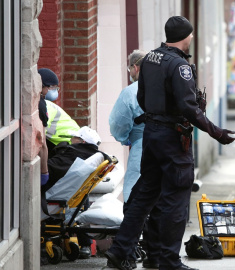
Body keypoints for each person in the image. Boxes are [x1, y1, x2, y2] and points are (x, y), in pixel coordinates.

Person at [105, 16, 235, 270]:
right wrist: (216, 132)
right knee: (175, 200)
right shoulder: (179, 66)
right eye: (191, 35)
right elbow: (189, 108)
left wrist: (156, 118)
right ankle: (168, 260)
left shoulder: (150, 59)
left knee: (144, 195)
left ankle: (121, 251)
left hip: (150, 135)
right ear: (186, 36)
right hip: (173, 139)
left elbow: (141, 96)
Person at [108, 49, 160, 269]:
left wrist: (126, 137)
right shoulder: (163, 88)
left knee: (135, 202)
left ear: (135, 68)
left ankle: (126, 254)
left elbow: (118, 123)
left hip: (142, 147)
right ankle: (155, 254)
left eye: (130, 68)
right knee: (157, 203)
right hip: (166, 148)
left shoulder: (131, 92)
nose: (130, 72)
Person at [44, 126, 105, 259]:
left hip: (51, 200)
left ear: (82, 141)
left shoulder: (72, 154)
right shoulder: (92, 158)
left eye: (75, 137)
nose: (71, 139)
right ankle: (85, 244)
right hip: (72, 200)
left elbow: (49, 169)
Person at [38, 68, 59, 187]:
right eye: (51, 87)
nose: (54, 91)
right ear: (43, 86)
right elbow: (42, 142)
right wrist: (44, 171)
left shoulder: (39, 100)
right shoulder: (41, 105)